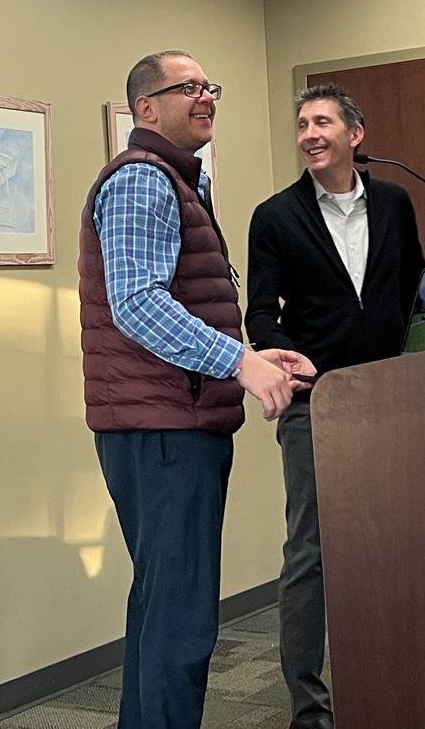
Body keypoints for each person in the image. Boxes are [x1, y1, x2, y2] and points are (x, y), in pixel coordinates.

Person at [80, 50, 315, 729]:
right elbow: (137, 303)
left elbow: (178, 302)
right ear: (145, 107)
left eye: (210, 85)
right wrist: (240, 366)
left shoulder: (181, 180)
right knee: (180, 624)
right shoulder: (142, 181)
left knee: (164, 612)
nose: (206, 96)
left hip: (175, 419)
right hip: (162, 429)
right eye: (188, 87)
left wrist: (247, 353)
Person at [246, 83, 425, 729]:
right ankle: (310, 708)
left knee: (393, 541)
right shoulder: (274, 216)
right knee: (312, 553)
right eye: (301, 124)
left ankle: (391, 680)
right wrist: (294, 363)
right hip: (313, 405)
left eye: (322, 121)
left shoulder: (396, 203)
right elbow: (261, 314)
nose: (310, 133)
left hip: (392, 399)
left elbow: (412, 295)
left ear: (356, 133)